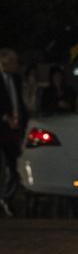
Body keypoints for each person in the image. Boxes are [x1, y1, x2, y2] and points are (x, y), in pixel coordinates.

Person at [0, 48, 27, 210]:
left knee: (14, 164)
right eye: (14, 61)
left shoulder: (16, 79)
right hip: (2, 128)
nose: (17, 65)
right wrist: (6, 117)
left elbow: (19, 103)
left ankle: (5, 197)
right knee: (4, 165)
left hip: (14, 130)